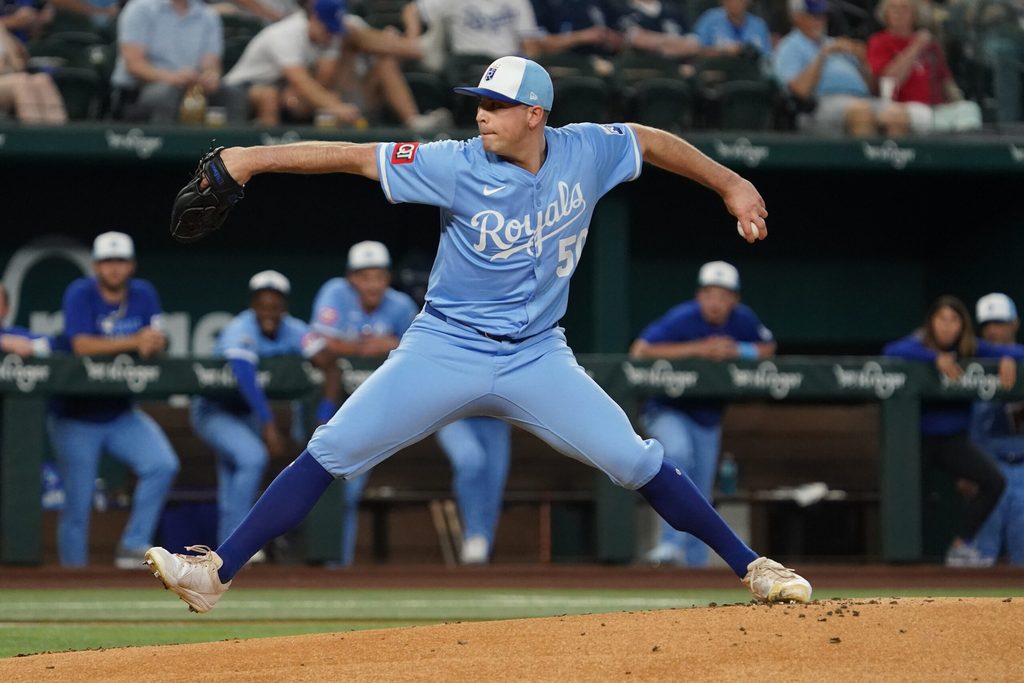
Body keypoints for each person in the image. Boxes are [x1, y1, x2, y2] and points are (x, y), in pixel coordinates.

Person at [144, 55, 811, 612]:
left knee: (636, 459)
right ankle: (216, 572)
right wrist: (249, 158)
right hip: (445, 344)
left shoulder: (587, 151)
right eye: (479, 101)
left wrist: (731, 184)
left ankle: (753, 567)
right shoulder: (453, 162)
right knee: (333, 446)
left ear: (535, 115)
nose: (481, 113)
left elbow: (651, 139)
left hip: (537, 355)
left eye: (495, 103)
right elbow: (351, 156)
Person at [313, 241, 511, 565]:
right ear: (352, 278)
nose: (373, 283)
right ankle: (335, 564)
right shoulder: (335, 292)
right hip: (342, 402)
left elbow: (414, 349)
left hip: (392, 405)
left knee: (484, 468)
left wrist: (374, 345)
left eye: (378, 276)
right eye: (365, 276)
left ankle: (479, 545)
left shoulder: (401, 304)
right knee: (340, 474)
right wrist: (368, 349)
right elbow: (319, 342)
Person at [630, 260, 775, 567]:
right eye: (709, 293)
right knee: (677, 456)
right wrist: (698, 349)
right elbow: (640, 350)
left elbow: (767, 348)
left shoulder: (742, 319)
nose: (715, 301)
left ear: (734, 299)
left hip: (708, 416)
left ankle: (695, 566)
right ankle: (669, 547)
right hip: (666, 408)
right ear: (700, 295)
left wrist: (738, 351)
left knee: (701, 488)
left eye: (723, 295)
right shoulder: (685, 317)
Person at [50, 232, 180, 568]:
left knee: (162, 464)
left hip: (120, 411)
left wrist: (154, 344)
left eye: (120, 261)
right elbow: (81, 346)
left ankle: (134, 543)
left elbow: (157, 339)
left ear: (131, 265)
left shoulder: (144, 293)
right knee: (78, 504)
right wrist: (134, 341)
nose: (114, 268)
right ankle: (71, 580)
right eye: (107, 261)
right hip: (75, 414)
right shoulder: (80, 292)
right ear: (96, 266)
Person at [190, 270, 339, 553]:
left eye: (275, 306)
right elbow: (245, 376)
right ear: (253, 306)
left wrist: (325, 412)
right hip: (215, 410)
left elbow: (331, 365)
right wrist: (268, 424)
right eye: (262, 305)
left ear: (283, 308)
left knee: (234, 482)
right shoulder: (240, 328)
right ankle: (237, 546)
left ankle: (223, 553)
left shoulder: (294, 329)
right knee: (253, 457)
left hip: (247, 414)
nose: (268, 312)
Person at [883, 294, 1021, 567]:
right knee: (912, 498)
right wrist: (933, 358)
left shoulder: (970, 348)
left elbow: (1018, 352)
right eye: (941, 319)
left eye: (954, 320)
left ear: (963, 325)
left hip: (953, 441)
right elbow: (891, 351)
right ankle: (902, 567)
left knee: (994, 482)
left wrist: (1007, 356)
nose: (947, 326)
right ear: (931, 323)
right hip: (915, 440)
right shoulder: (917, 346)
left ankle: (963, 544)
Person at [224, 0, 448, 130]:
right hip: (241, 90)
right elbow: (302, 83)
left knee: (378, 59)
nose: (332, 36)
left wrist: (335, 103)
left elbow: (324, 78)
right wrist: (336, 107)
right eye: (328, 29)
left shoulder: (328, 36)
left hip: (284, 91)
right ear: (313, 18)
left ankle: (414, 118)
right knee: (271, 95)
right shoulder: (285, 34)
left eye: (334, 30)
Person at [773, 0, 910, 136]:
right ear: (797, 17)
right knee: (861, 112)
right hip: (819, 103)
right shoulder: (790, 45)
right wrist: (823, 55)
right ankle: (861, 158)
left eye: (823, 15)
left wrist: (862, 61)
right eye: (814, 15)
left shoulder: (836, 42)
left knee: (897, 114)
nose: (820, 21)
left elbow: (873, 89)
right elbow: (798, 92)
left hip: (862, 99)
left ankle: (890, 158)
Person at [110, 0, 248, 124]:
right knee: (166, 93)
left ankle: (229, 150)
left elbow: (211, 64)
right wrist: (171, 77)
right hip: (142, 88)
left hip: (192, 87)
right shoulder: (139, 8)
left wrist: (210, 76)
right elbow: (134, 65)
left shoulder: (207, 14)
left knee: (234, 95)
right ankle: (165, 150)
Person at [867, 0, 982, 133]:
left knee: (970, 108)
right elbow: (891, 79)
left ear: (915, 14)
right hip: (904, 107)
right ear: (885, 14)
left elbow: (946, 82)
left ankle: (963, 152)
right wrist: (915, 46)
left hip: (935, 109)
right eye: (893, 8)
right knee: (897, 116)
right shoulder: (879, 41)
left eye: (904, 9)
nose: (899, 13)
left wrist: (958, 101)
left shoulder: (931, 45)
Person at [970, 293, 1024, 566]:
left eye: (1000, 323)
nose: (993, 329)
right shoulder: (971, 363)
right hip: (989, 468)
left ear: (1014, 323)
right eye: (987, 324)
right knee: (978, 557)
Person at [0, 24, 68, 124]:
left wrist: (5, 37)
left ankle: (59, 135)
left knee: (42, 79)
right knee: (21, 82)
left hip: (8, 77)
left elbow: (19, 65)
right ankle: (33, 136)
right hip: (8, 79)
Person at [693, 0, 773, 57]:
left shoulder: (759, 25)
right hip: (720, 71)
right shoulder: (709, 19)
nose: (735, 3)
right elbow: (696, 51)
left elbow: (766, 57)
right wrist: (724, 51)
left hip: (751, 73)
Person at [0, 282, 52, 357]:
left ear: (6, 309)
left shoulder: (15, 335)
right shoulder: (4, 340)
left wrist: (33, 346)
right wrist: (2, 342)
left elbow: (53, 343)